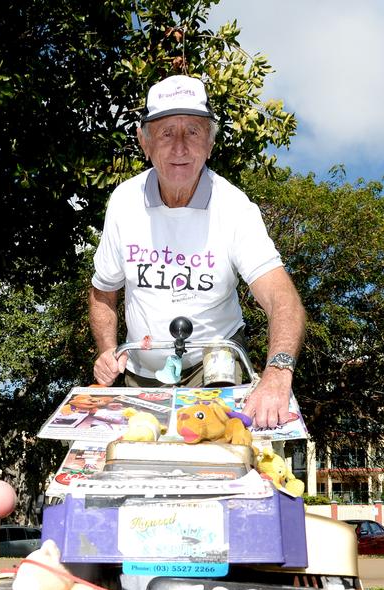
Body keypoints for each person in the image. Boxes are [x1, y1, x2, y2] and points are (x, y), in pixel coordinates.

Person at [89, 75, 305, 430]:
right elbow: (103, 289)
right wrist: (107, 349)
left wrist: (277, 375)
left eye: (193, 132)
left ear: (209, 143)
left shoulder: (234, 207)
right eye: (166, 133)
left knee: (220, 469)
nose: (180, 148)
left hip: (216, 369)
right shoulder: (124, 203)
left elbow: (283, 300)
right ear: (145, 142)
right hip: (142, 373)